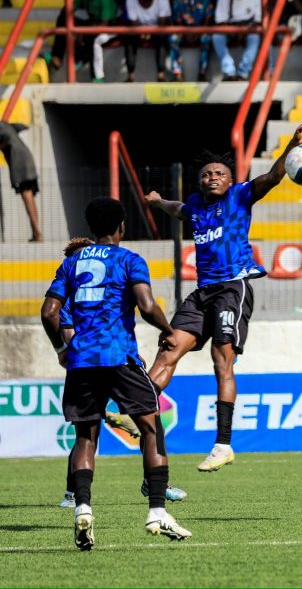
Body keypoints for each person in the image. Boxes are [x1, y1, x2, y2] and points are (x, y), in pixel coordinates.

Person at [144, 120, 302, 472]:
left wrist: (290, 148)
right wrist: (159, 201)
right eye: (207, 174)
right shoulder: (195, 206)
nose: (213, 177)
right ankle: (138, 410)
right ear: (199, 181)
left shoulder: (240, 196)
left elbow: (271, 177)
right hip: (201, 292)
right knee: (169, 347)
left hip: (232, 287)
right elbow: (176, 210)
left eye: (219, 173)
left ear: (229, 179)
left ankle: (223, 444)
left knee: (221, 361)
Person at [40, 198, 191, 547]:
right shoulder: (129, 260)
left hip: (81, 361)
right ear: (122, 225)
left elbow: (49, 311)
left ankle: (82, 507)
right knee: (152, 428)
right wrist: (167, 330)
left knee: (85, 439)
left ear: (90, 227)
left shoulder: (72, 262)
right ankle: (157, 511)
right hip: (119, 356)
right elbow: (148, 306)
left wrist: (62, 349)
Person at [56, 236, 189, 509]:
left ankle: (150, 484)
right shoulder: (71, 300)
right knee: (91, 434)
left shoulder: (101, 291)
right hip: (95, 366)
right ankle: (73, 493)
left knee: (99, 432)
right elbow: (67, 332)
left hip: (108, 361)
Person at [45, 0, 119, 82]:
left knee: (93, 39)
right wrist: (66, 10)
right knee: (63, 19)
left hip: (110, 27)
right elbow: (69, 11)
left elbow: (104, 25)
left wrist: (81, 32)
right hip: (91, 23)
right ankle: (57, 56)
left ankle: (96, 76)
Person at [0, 121, 43, 241]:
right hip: (27, 158)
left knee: (27, 196)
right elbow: (22, 126)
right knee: (29, 195)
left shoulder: (2, 127)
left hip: (19, 162)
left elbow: (6, 139)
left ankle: (37, 233)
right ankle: (36, 232)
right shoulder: (6, 125)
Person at [212, 0, 261, 81]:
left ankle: (243, 73)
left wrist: (243, 31)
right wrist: (233, 31)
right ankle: (229, 71)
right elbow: (220, 21)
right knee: (217, 36)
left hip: (249, 28)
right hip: (230, 27)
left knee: (255, 36)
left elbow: (258, 22)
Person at [124, 0, 171, 82]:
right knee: (129, 39)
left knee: (162, 39)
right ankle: (130, 75)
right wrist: (142, 33)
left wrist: (150, 33)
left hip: (157, 30)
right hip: (138, 29)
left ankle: (161, 75)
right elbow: (134, 22)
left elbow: (162, 24)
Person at [167, 0, 213, 81]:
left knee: (206, 39)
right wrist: (184, 32)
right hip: (183, 29)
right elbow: (177, 18)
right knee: (172, 38)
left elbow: (208, 17)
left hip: (200, 29)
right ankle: (177, 72)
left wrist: (200, 31)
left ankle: (202, 72)